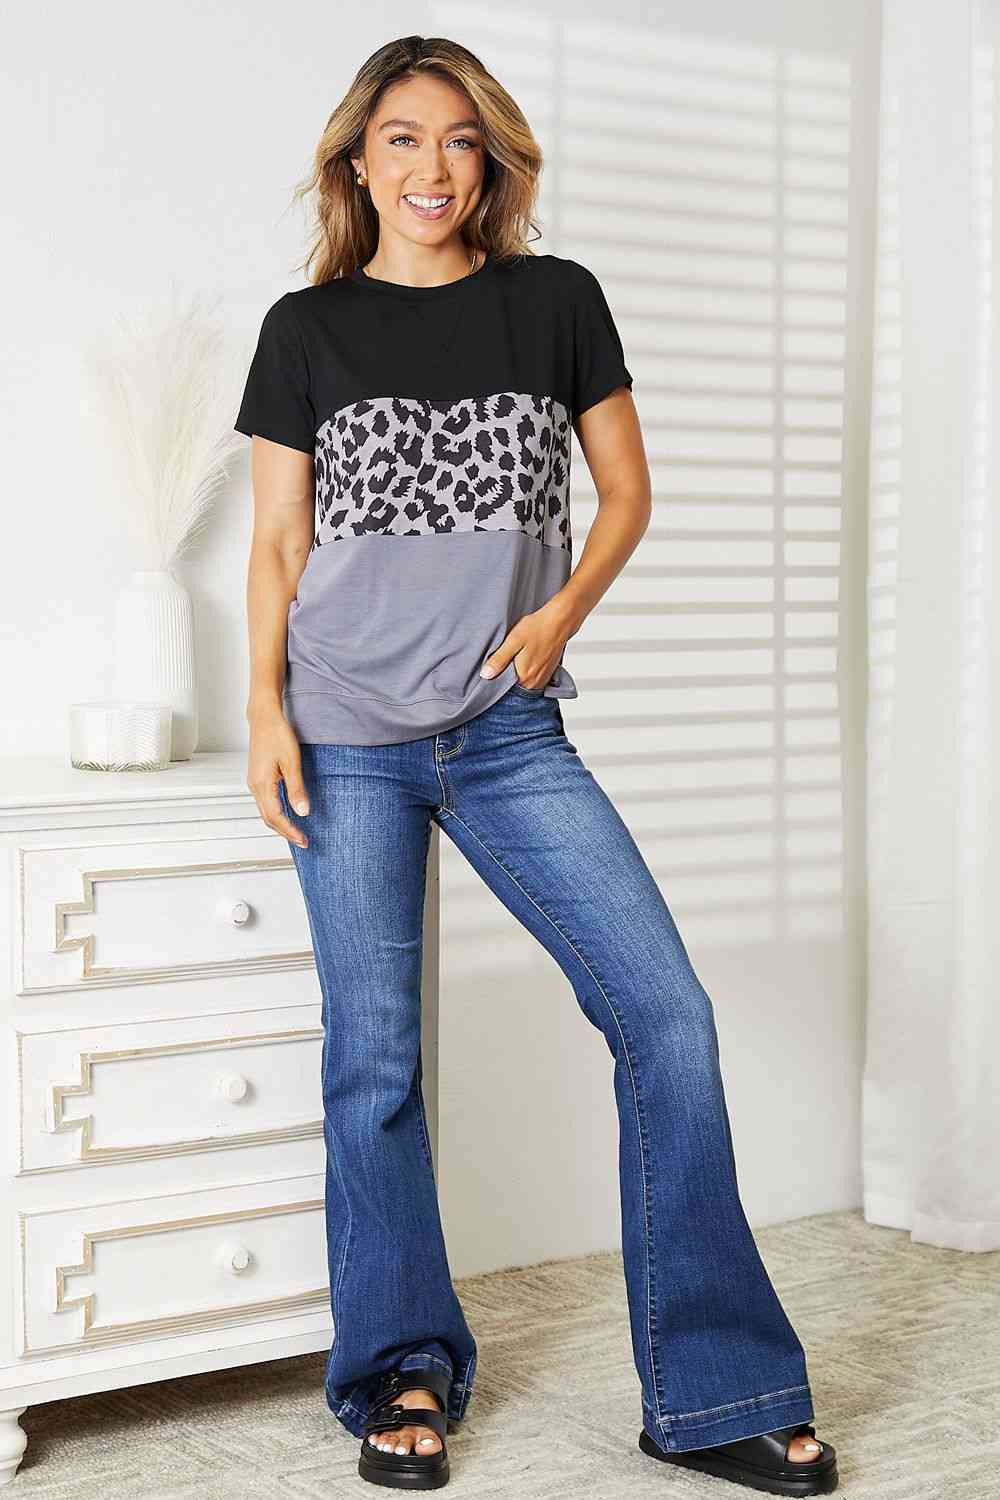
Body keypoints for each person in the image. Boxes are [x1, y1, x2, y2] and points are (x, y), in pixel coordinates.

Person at [236, 33, 838, 1498]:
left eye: (459, 140)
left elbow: (624, 491)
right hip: (345, 735)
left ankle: (713, 1395)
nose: (431, 167)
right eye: (401, 138)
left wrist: (559, 615)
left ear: (491, 161)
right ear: (356, 161)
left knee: (667, 1020)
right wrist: (262, 710)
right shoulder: (306, 329)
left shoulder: (553, 302)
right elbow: (277, 542)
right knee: (374, 1061)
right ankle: (400, 1372)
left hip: (507, 730)